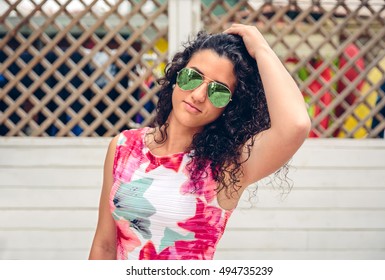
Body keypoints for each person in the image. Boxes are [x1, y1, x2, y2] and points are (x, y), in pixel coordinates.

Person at [89, 23, 311, 260]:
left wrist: (262, 49)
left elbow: (296, 125)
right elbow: (104, 245)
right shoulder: (124, 146)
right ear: (177, 75)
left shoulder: (227, 167)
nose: (198, 95)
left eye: (218, 91)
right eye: (193, 77)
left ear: (229, 106)